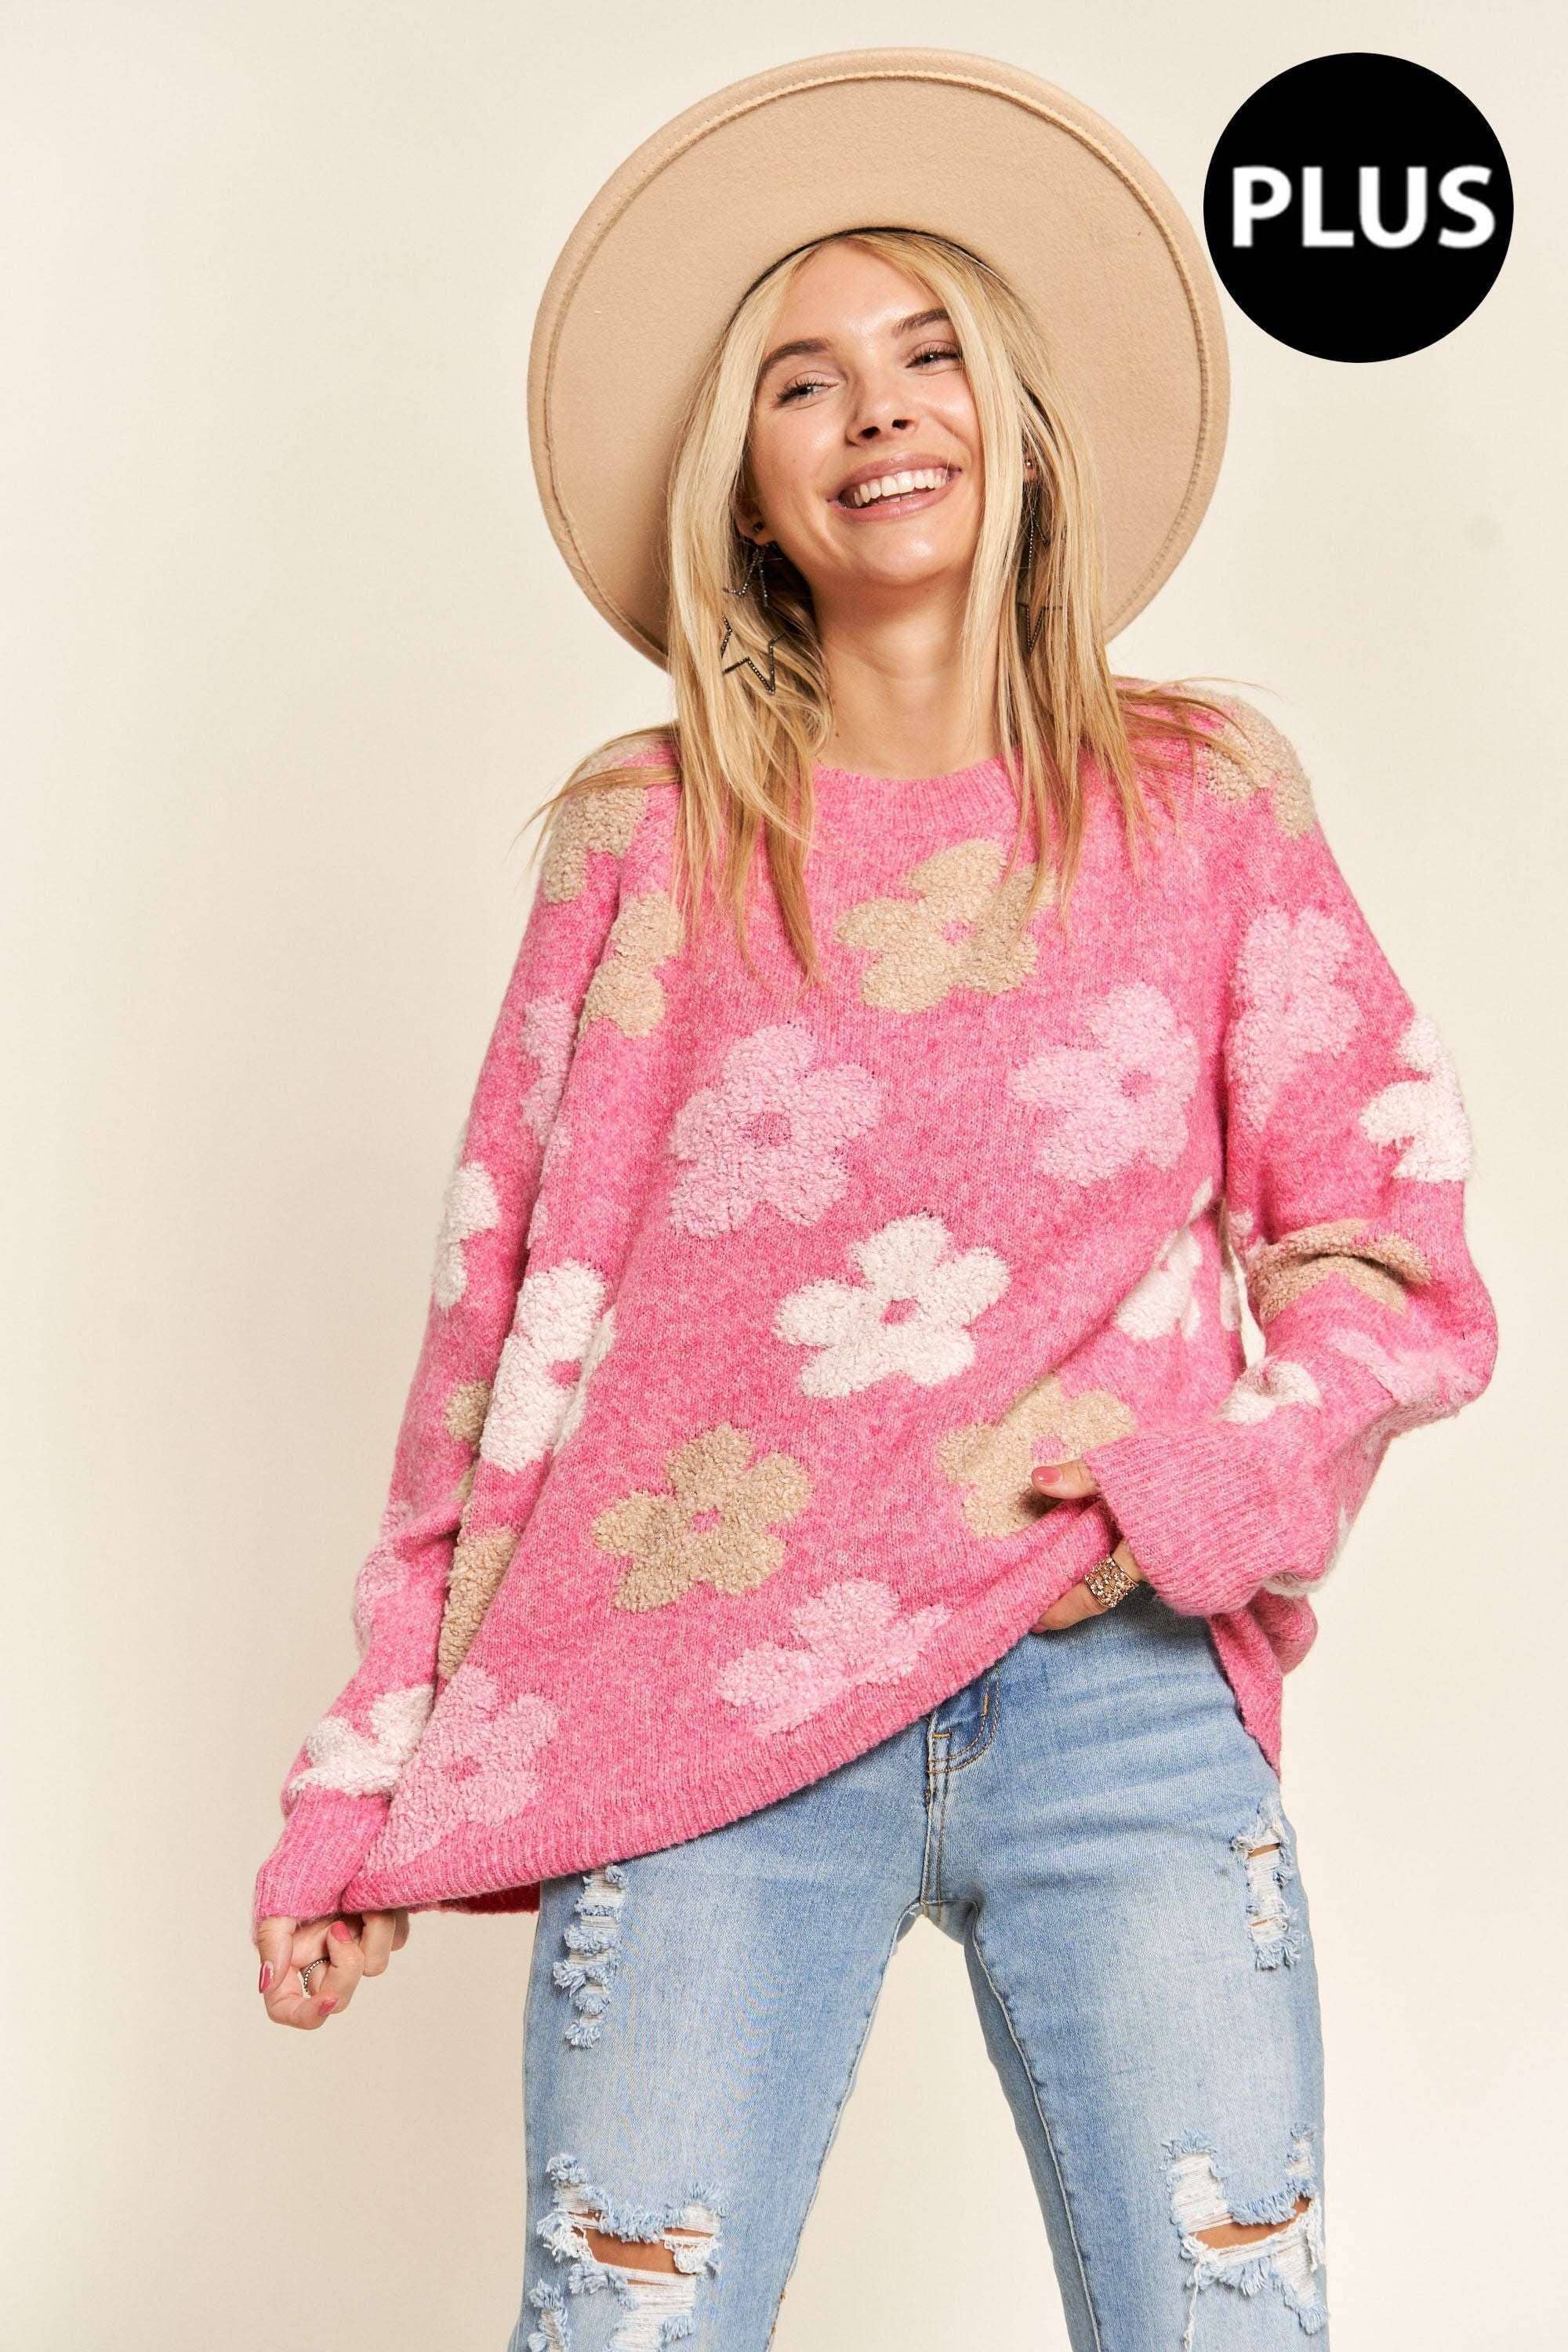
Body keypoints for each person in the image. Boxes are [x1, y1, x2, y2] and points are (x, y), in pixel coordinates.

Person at [249, 53, 1497, 2350]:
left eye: (927, 353)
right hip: (686, 1705)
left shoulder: (1203, 803)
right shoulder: (642, 839)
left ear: (1017, 422)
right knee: (625, 2329)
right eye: (802, 379)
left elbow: (1392, 1254)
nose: (878, 411)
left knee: (1229, 2325)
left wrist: (1192, 1488)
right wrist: (365, 1767)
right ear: (745, 482)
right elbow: (497, 1326)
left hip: (1113, 1695)